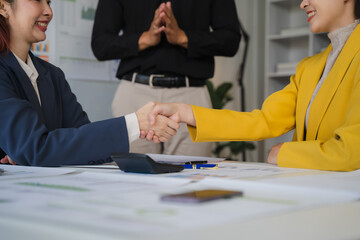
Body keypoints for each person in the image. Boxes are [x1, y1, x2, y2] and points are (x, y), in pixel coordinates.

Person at [146, 0, 360, 171]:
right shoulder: (309, 68)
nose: (303, 4)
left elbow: (352, 151)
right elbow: (264, 120)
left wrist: (286, 154)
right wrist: (185, 112)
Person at [0, 0, 179, 167]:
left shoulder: (52, 75)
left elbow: (85, 143)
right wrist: (135, 124)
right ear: (3, 8)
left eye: (49, 2)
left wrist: (31, 152)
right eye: (37, 0)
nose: (48, 11)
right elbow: (36, 149)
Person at [91, 0, 241, 157]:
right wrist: (144, 39)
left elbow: (231, 40)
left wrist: (183, 37)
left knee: (192, 178)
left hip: (190, 94)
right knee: (132, 178)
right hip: (135, 93)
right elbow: (100, 45)